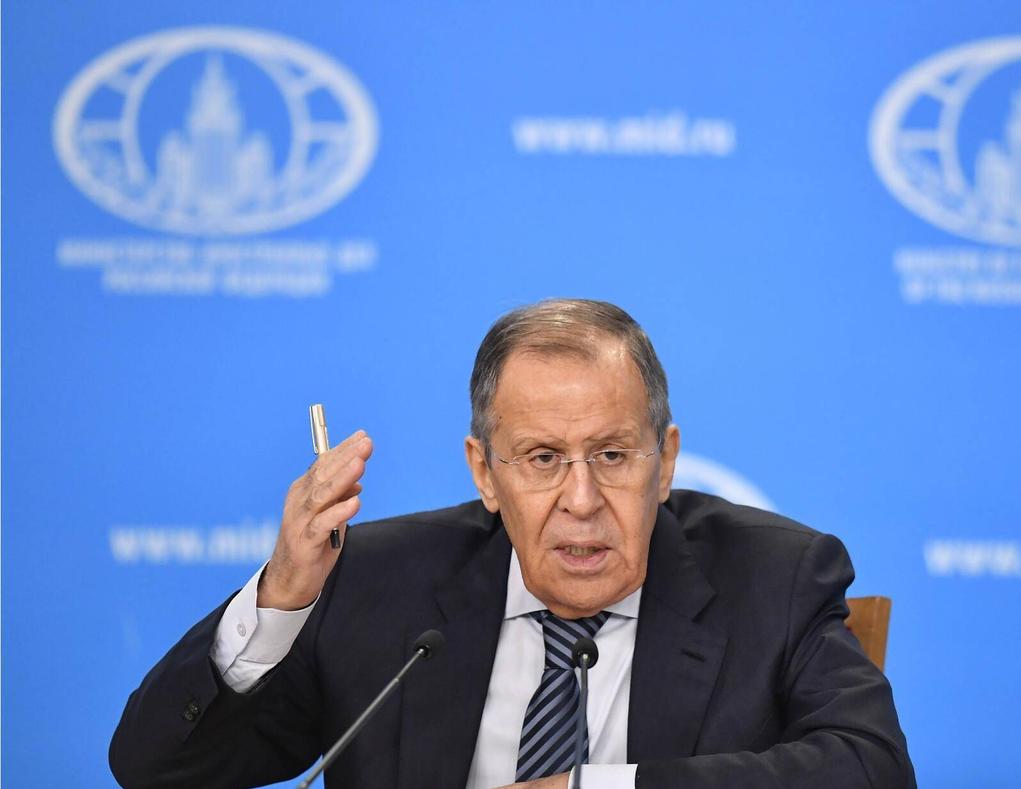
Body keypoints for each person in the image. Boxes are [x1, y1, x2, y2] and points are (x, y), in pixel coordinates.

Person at [109, 298, 914, 789]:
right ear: (484, 472)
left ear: (665, 460)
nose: (581, 500)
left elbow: (872, 768)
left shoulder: (773, 576)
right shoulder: (379, 584)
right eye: (542, 458)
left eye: (612, 455)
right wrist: (283, 596)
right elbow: (156, 767)